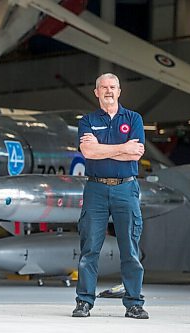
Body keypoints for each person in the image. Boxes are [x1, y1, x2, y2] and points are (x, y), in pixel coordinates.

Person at [72, 73, 148, 319]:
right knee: (90, 248)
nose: (108, 91)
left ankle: (134, 303)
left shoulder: (133, 119)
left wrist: (104, 150)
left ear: (119, 90)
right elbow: (89, 153)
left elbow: (135, 154)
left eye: (112, 87)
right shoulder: (88, 120)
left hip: (126, 188)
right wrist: (121, 148)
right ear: (96, 92)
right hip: (95, 189)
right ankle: (84, 301)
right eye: (103, 87)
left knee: (130, 248)